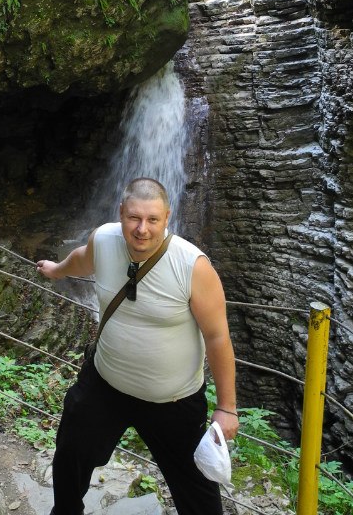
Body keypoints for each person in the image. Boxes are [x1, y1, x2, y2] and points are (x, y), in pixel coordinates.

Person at [37, 177, 238, 515]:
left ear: (167, 217)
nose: (142, 229)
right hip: (106, 385)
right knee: (71, 452)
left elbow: (217, 337)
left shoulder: (192, 265)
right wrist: (57, 270)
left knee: (197, 491)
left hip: (173, 400)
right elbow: (82, 258)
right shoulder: (104, 240)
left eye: (152, 219)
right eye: (134, 218)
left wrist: (227, 407)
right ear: (121, 213)